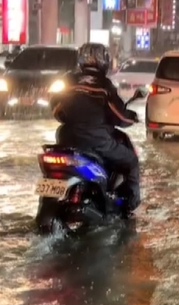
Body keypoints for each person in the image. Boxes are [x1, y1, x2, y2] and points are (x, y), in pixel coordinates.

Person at [52, 43, 141, 213]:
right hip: (97, 141)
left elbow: (56, 110)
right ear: (103, 62)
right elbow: (120, 117)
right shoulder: (104, 86)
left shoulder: (68, 81)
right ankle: (130, 202)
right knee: (131, 160)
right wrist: (131, 117)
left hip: (66, 138)